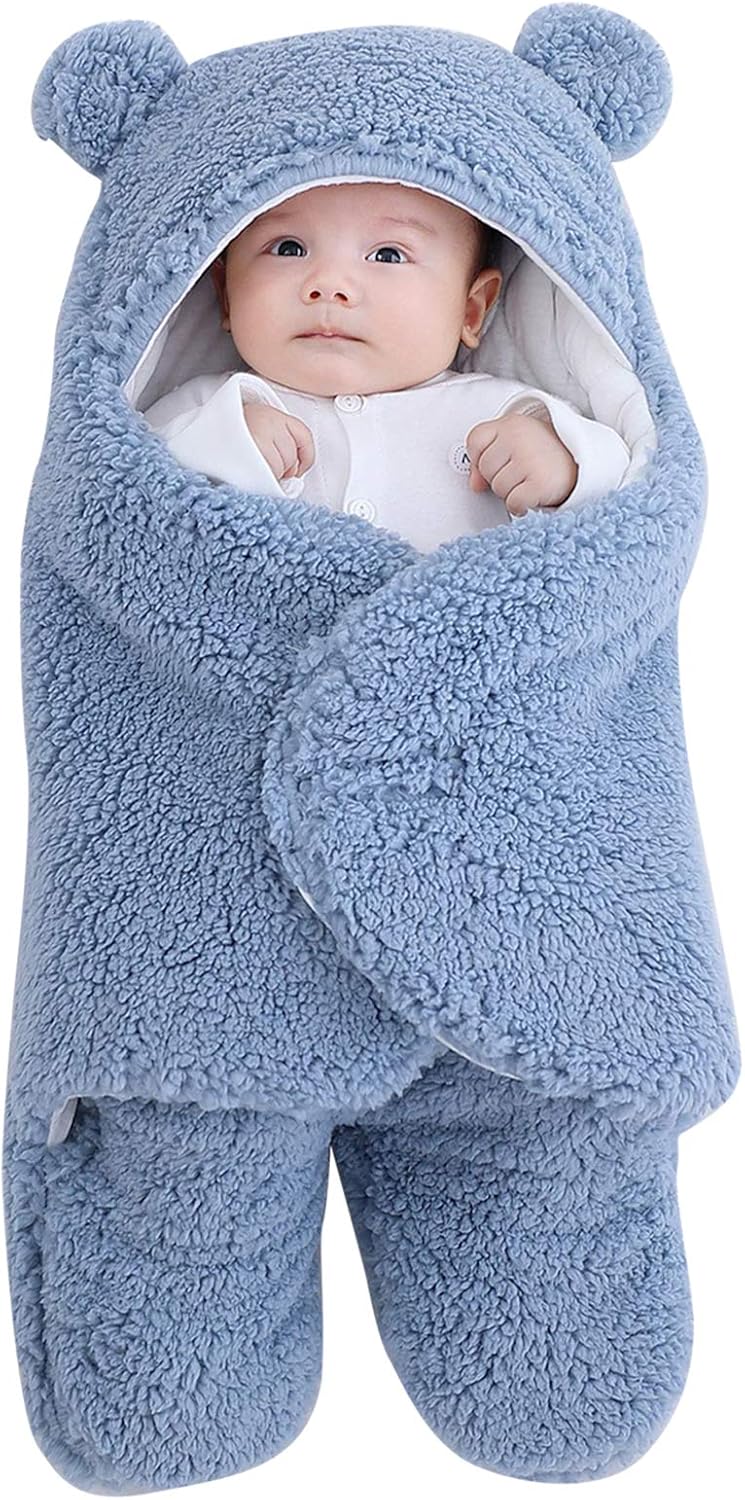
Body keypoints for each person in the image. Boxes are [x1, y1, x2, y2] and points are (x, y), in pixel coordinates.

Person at [144, 180, 631, 554]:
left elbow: (622, 485)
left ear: (471, 311)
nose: (330, 284)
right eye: (289, 248)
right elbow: (135, 490)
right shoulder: (212, 406)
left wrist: (564, 470)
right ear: (226, 296)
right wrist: (228, 441)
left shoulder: (508, 410)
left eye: (388, 255)